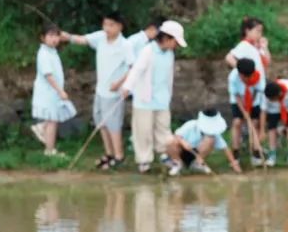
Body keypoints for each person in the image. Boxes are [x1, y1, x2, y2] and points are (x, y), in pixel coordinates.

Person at [63, 12, 133, 170]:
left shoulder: (125, 45)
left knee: (114, 125)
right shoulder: (100, 37)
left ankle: (119, 156)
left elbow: (132, 68)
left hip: (114, 93)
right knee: (100, 122)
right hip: (100, 91)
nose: (107, 28)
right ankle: (109, 154)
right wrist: (68, 37)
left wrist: (119, 83)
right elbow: (83, 39)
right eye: (105, 24)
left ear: (119, 27)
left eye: (111, 25)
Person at [121, 20, 187, 173]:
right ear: (166, 38)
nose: (176, 45)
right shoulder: (148, 51)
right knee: (143, 131)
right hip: (145, 99)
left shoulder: (170, 54)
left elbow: (169, 77)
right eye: (175, 42)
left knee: (163, 131)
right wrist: (127, 87)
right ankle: (144, 161)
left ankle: (164, 155)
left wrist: (169, 95)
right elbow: (136, 70)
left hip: (162, 99)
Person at [31, 24, 76, 157]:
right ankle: (49, 150)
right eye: (50, 36)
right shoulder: (43, 53)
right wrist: (60, 91)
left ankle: (45, 137)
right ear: (42, 38)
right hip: (48, 92)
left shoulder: (52, 52)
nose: (54, 39)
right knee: (52, 120)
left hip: (53, 92)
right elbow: (48, 74)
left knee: (53, 119)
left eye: (56, 35)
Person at [165, 109, 241, 176]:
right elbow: (177, 136)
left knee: (211, 140)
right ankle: (177, 164)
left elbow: (225, 148)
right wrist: (183, 142)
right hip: (181, 151)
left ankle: (197, 164)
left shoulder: (213, 133)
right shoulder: (191, 125)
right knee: (169, 140)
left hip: (197, 154)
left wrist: (234, 164)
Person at [228, 57, 266, 165]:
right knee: (237, 122)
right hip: (238, 100)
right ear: (240, 74)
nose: (248, 79)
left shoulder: (258, 76)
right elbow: (236, 96)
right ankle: (235, 152)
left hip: (253, 100)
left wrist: (249, 108)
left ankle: (256, 152)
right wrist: (244, 111)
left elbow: (257, 92)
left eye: (250, 76)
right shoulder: (233, 77)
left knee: (254, 123)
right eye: (246, 77)